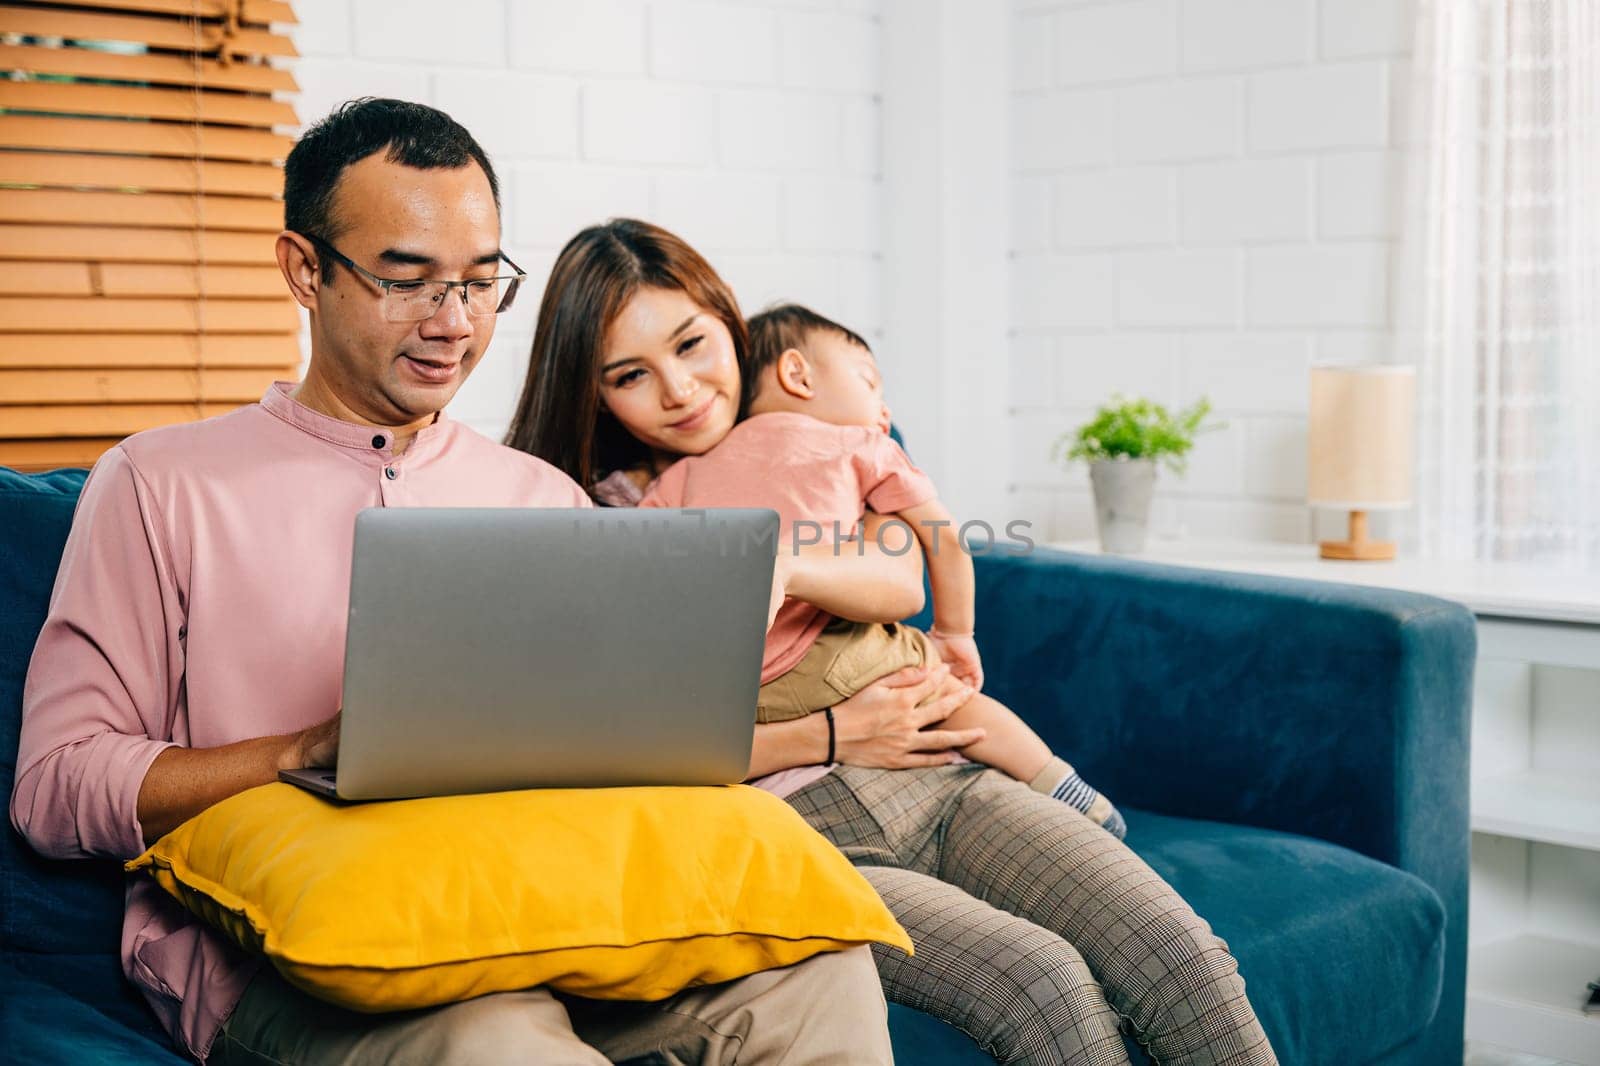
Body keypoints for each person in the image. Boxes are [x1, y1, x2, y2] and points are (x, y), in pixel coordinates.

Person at [9, 100, 894, 1066]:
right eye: (408, 280)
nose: (455, 323)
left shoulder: (542, 497)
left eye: (481, 282)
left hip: (542, 914)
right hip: (292, 957)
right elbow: (54, 790)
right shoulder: (157, 482)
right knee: (494, 1040)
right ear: (304, 270)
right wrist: (303, 750)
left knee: (822, 981)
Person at [507, 218, 1281, 1066]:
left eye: (693, 344)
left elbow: (906, 574)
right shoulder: (596, 518)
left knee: (1177, 951)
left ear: (732, 325)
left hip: (941, 777)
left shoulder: (830, 437)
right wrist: (831, 734)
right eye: (631, 375)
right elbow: (625, 756)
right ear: (595, 393)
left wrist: (786, 563)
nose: (680, 390)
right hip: (792, 834)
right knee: (1045, 987)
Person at [640, 302, 1127, 838]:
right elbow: (945, 542)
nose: (885, 408)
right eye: (870, 382)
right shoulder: (862, 445)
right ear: (798, 374)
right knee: (952, 702)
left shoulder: (683, 474)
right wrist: (955, 634)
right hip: (837, 654)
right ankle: (1063, 787)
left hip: (745, 695)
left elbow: (643, 569)